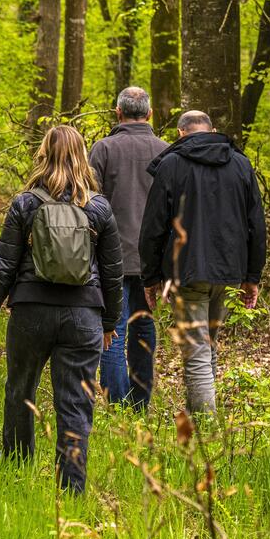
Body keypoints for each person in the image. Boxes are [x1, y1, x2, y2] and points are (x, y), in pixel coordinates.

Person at [0, 125, 123, 494]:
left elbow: (3, 265)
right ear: (83, 156)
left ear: (43, 155)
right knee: (76, 402)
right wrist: (110, 321)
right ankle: (71, 485)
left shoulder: (26, 203)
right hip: (84, 317)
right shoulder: (99, 208)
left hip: (31, 312)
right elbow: (113, 273)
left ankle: (16, 464)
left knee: (20, 390)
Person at [138, 110, 266, 416]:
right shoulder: (240, 164)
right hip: (228, 271)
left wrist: (151, 277)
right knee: (207, 347)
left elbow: (153, 226)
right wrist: (251, 276)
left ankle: (206, 429)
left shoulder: (172, 164)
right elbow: (256, 225)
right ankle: (202, 423)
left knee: (197, 352)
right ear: (213, 130)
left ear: (181, 134)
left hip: (188, 271)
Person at [89, 87, 168, 411]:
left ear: (118, 113)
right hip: (153, 260)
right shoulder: (166, 151)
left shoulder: (103, 149)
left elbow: (88, 202)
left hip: (112, 256)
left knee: (113, 328)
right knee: (143, 326)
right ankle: (139, 403)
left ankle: (119, 403)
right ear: (149, 114)